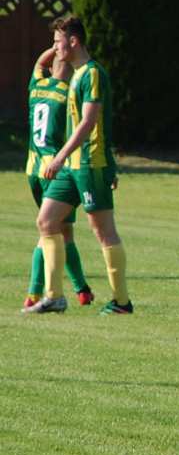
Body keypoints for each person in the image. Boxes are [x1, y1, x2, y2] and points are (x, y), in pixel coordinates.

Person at [23, 16, 132, 315]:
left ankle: (121, 302)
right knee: (46, 221)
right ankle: (54, 296)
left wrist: (60, 157)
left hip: (89, 164)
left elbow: (88, 122)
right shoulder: (76, 74)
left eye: (58, 42)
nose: (55, 47)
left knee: (103, 232)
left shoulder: (92, 73)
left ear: (73, 42)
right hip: (72, 166)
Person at [22, 47, 94, 310]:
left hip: (32, 169)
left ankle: (82, 289)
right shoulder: (69, 94)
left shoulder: (37, 85)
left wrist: (55, 48)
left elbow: (39, 61)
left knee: (60, 230)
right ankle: (34, 292)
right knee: (52, 230)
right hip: (55, 169)